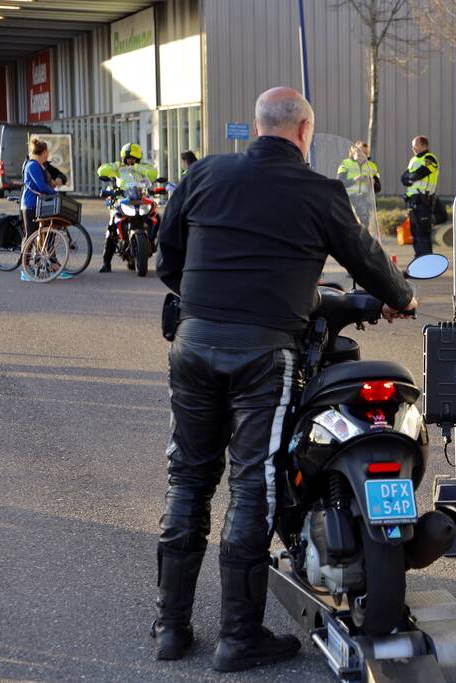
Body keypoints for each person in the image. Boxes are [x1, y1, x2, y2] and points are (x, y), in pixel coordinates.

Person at [153, 86, 417, 673]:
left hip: (193, 343)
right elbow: (367, 258)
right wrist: (402, 297)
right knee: (253, 486)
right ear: (304, 133)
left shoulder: (205, 174)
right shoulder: (320, 191)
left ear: (257, 127)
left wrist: (208, 299)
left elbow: (169, 259)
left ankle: (170, 627)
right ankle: (238, 638)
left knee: (188, 478)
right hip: (263, 355)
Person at [96, 143, 159, 273]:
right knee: (112, 225)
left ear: (138, 158)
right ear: (123, 158)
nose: (130, 160)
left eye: (133, 158)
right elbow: (101, 171)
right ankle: (106, 262)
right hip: (123, 200)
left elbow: (153, 174)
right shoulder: (119, 168)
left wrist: (136, 167)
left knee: (156, 217)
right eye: (128, 158)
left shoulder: (144, 167)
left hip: (141, 199)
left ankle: (152, 243)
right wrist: (116, 165)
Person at [19, 139, 72, 282]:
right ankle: (25, 270)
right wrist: (55, 193)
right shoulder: (32, 165)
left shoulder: (40, 166)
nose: (48, 154)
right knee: (31, 237)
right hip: (30, 205)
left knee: (47, 235)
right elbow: (41, 186)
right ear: (43, 153)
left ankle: (51, 266)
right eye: (47, 152)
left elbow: (51, 180)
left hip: (40, 205)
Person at [400, 135, 439, 256]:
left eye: (415, 146)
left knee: (423, 233)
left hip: (424, 200)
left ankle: (426, 260)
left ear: (424, 146)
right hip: (413, 200)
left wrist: (411, 177)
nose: (413, 148)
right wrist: (411, 177)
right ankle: (418, 259)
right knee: (415, 232)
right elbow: (404, 178)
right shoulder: (413, 160)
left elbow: (419, 174)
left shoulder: (430, 158)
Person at [336, 140, 380, 230]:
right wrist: (354, 180)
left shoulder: (372, 166)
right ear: (353, 152)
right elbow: (339, 183)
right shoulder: (345, 164)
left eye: (365, 153)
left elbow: (378, 188)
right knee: (350, 227)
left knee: (364, 228)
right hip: (349, 200)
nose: (363, 155)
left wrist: (373, 183)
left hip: (366, 201)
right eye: (360, 152)